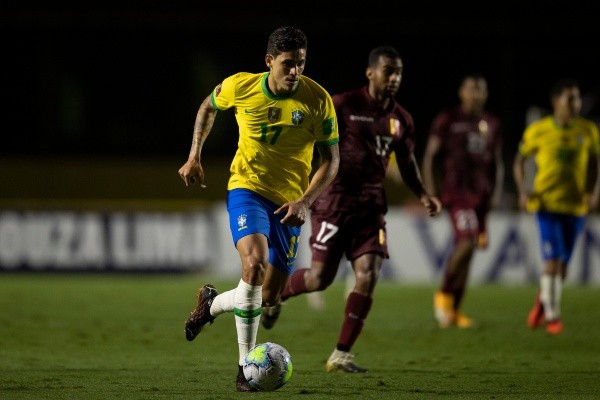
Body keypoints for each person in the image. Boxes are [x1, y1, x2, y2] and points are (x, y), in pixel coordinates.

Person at [260, 45, 442, 373]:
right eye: (388, 71)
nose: (394, 78)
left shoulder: (402, 120)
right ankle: (277, 296)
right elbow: (313, 142)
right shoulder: (343, 105)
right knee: (319, 279)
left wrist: (424, 193)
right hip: (334, 204)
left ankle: (341, 353)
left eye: (398, 72)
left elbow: (408, 162)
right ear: (371, 72)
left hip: (371, 209)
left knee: (369, 273)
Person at [177, 26, 340, 391]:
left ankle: (211, 303)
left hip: (291, 204)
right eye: (287, 64)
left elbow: (332, 159)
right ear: (269, 62)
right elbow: (208, 106)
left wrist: (305, 201)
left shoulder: (318, 99)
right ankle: (244, 371)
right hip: (246, 190)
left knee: (268, 296)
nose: (295, 70)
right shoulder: (241, 86)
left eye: (300, 62)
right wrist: (194, 156)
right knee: (253, 266)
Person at [513, 78, 600, 335]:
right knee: (551, 261)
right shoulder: (539, 130)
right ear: (556, 102)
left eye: (578, 98)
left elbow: (594, 164)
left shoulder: (588, 130)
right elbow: (519, 161)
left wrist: (592, 192)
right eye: (570, 98)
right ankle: (553, 317)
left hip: (575, 207)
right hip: (546, 204)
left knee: (562, 267)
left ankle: (542, 303)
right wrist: (522, 190)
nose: (576, 103)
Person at [421, 73, 504, 329]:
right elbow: (430, 157)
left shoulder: (491, 122)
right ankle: (444, 293)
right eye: (472, 89)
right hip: (456, 195)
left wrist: (496, 193)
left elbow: (497, 163)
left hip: (481, 197)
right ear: (461, 92)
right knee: (466, 243)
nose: (476, 94)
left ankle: (454, 311)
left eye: (481, 89)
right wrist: (431, 192)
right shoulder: (448, 119)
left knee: (470, 253)